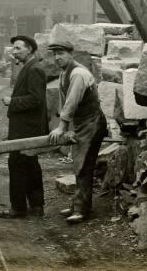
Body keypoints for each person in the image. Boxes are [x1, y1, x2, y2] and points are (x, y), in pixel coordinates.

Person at [47, 39, 107, 224]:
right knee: (79, 165)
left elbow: (72, 103)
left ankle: (82, 210)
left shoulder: (78, 74)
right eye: (55, 54)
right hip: (82, 123)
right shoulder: (64, 73)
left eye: (61, 54)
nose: (57, 57)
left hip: (92, 123)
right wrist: (65, 126)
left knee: (83, 166)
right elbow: (64, 102)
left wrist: (63, 127)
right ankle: (77, 205)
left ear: (70, 54)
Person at [0, 35, 48, 219]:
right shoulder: (30, 67)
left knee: (18, 165)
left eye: (18, 48)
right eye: (14, 48)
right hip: (26, 127)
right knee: (30, 166)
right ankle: (36, 206)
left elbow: (36, 99)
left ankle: (19, 208)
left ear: (30, 50)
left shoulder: (34, 69)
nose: (14, 52)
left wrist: (12, 101)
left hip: (26, 128)